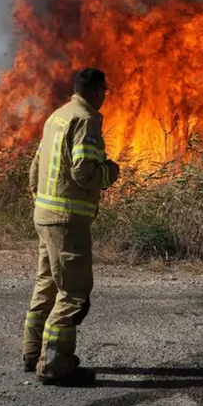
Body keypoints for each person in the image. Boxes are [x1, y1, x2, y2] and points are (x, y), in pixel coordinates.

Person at [21, 67, 120, 386]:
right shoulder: (86, 119)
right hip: (67, 221)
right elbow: (84, 171)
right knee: (74, 292)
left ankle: (32, 352)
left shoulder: (57, 116)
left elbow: (35, 168)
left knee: (47, 284)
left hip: (45, 215)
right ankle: (55, 364)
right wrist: (111, 173)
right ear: (94, 91)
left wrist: (41, 202)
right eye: (104, 91)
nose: (105, 96)